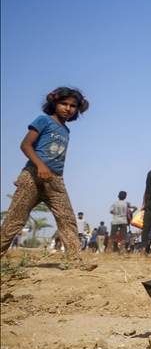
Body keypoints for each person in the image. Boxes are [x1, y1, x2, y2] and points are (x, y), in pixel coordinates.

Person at [0, 87, 89, 259]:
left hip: (55, 179)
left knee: (67, 218)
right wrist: (39, 167)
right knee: (15, 219)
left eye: (73, 105)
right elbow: (25, 145)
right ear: (54, 103)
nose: (68, 108)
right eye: (64, 103)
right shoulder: (43, 120)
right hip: (34, 174)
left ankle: (75, 260)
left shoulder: (66, 130)